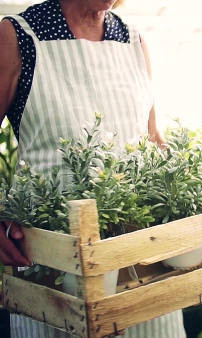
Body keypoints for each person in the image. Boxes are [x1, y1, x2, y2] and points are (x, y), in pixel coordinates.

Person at [0, 0, 186, 337]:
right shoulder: (17, 35)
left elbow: (153, 137)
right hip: (52, 258)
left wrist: (189, 193)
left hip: (140, 256)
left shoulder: (133, 40)